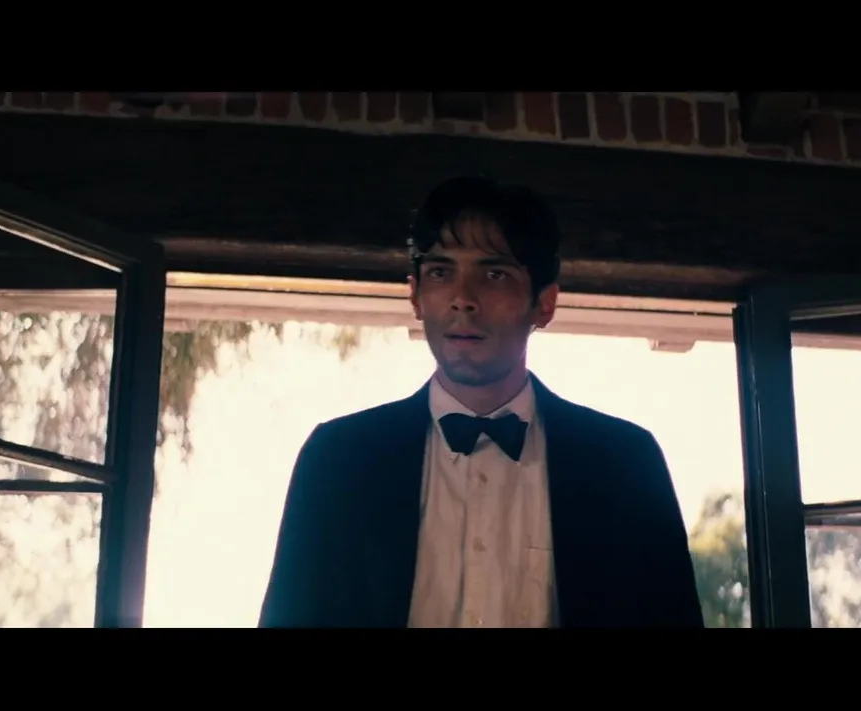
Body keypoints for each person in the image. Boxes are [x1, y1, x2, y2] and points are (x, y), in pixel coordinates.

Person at [258, 176, 703, 628]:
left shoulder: (625, 463)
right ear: (415, 295)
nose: (463, 299)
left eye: (494, 274)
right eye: (441, 272)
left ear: (545, 303)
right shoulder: (338, 459)